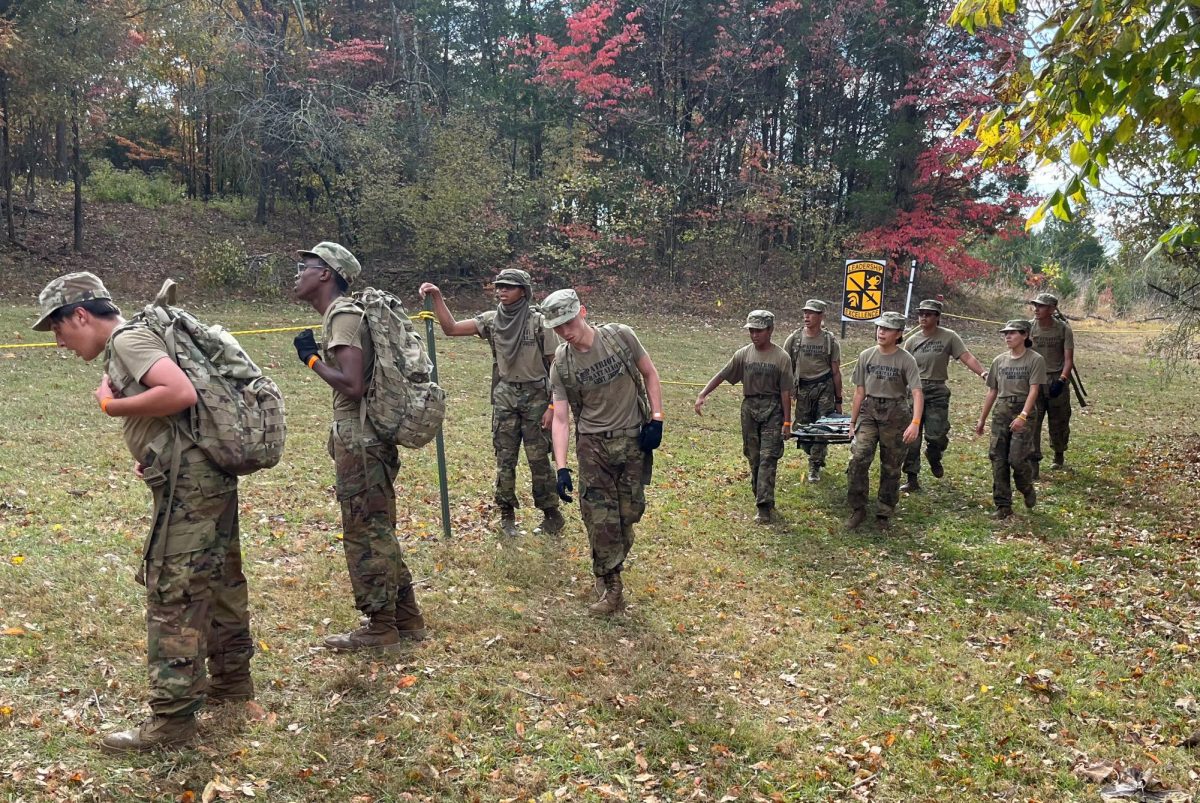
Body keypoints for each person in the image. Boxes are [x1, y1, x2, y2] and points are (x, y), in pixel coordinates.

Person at [33, 272, 254, 753]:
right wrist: (157, 450)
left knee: (174, 593)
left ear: (81, 315)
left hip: (189, 485)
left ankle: (172, 723)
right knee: (220, 577)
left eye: (58, 328)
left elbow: (179, 393)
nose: (59, 341)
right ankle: (233, 683)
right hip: (200, 472)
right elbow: (177, 412)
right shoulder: (140, 335)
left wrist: (112, 405)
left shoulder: (128, 339)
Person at [293, 242, 427, 651]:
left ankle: (380, 625)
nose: (298, 272)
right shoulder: (344, 314)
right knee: (378, 526)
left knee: (364, 530)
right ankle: (406, 617)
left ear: (326, 274)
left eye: (306, 265)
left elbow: (353, 385)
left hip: (361, 437)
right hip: (364, 436)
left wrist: (312, 361)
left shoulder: (344, 316)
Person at [543, 289, 664, 616]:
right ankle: (612, 588)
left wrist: (657, 419)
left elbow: (650, 373)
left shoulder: (621, 338)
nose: (565, 331)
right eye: (558, 327)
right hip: (593, 446)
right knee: (599, 519)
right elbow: (561, 418)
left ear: (582, 311)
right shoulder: (562, 364)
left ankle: (608, 568)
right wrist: (562, 467)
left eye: (569, 322)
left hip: (631, 442)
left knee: (627, 515)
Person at [418, 270, 563, 537]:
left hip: (537, 396)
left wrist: (553, 406)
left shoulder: (539, 322)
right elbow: (451, 329)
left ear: (523, 290)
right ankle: (507, 514)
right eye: (499, 287)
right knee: (505, 458)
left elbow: (556, 366)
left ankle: (552, 514)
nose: (501, 291)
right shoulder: (492, 320)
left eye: (509, 287)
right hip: (505, 394)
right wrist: (438, 297)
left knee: (538, 458)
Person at [694, 310, 793, 524]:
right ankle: (761, 493)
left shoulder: (781, 357)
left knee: (768, 457)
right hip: (749, 408)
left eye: (758, 330)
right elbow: (723, 374)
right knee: (754, 456)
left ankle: (764, 506)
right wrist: (703, 393)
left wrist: (787, 421)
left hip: (773, 409)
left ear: (770, 330)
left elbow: (786, 392)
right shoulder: (744, 354)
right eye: (751, 331)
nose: (754, 335)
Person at [845, 312, 923, 531]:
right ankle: (858, 508)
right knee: (859, 458)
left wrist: (915, 423)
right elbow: (860, 391)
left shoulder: (906, 359)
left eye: (887, 329)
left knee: (891, 465)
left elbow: (917, 392)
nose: (881, 332)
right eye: (879, 327)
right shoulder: (866, 355)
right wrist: (852, 422)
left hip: (895, 413)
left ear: (898, 334)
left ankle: (884, 512)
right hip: (869, 411)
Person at [899, 299, 988, 492]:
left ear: (937, 317)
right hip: (914, 391)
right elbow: (901, 365)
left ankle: (934, 455)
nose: (923, 317)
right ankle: (911, 478)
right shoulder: (912, 340)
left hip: (937, 390)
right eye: (921, 313)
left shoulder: (949, 337)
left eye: (928, 314)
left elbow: (966, 356)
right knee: (911, 438)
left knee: (937, 435)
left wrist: (983, 373)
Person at [975, 320, 1044, 520]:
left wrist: (1023, 415)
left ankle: (1026, 486)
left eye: (1012, 333)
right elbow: (992, 391)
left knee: (1016, 458)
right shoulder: (999, 361)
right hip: (1002, 410)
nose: (1007, 336)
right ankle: (1003, 504)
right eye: (1006, 333)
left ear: (1025, 335)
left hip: (1023, 408)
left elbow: (1034, 390)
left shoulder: (1035, 359)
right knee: (998, 458)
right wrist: (982, 419)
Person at [782, 299, 842, 483]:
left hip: (824, 387)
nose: (807, 316)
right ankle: (814, 452)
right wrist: (787, 390)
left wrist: (838, 400)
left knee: (822, 428)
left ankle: (815, 464)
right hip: (803, 389)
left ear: (821, 316)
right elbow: (785, 366)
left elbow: (835, 371)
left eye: (812, 313)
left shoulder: (829, 341)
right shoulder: (794, 339)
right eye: (805, 312)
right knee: (803, 429)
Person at [1027, 292, 1075, 476]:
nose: (1037, 309)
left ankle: (1059, 453)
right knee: (1033, 422)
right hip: (1035, 381)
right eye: (1036, 305)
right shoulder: (1030, 328)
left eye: (1041, 306)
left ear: (1052, 309)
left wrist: (1062, 380)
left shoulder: (1063, 329)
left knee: (1059, 420)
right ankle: (1034, 462)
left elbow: (1068, 359)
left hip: (1056, 378)